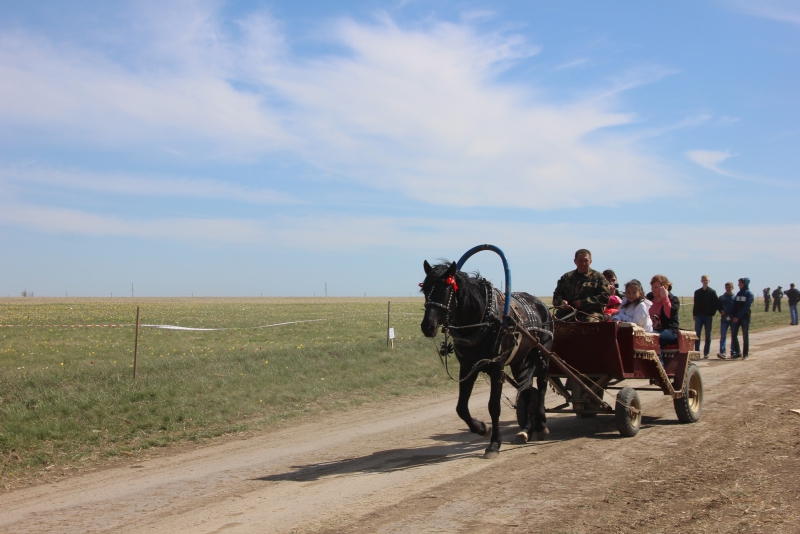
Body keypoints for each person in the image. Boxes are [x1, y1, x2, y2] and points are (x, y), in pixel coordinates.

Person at [553, 249, 610, 322]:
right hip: (568, 313)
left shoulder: (598, 277)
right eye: (580, 260)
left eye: (586, 260)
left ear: (590, 261)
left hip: (590, 314)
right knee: (551, 323)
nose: (583, 263)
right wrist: (562, 303)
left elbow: (605, 297)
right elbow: (556, 296)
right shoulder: (566, 277)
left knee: (590, 323)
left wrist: (584, 302)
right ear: (575, 261)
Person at [646, 275, 680, 363]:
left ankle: (660, 365)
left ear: (665, 287)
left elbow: (669, 315)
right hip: (651, 329)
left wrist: (665, 297)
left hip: (669, 331)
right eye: (652, 287)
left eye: (656, 287)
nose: (653, 290)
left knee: (653, 337)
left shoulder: (674, 300)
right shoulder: (649, 298)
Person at [692, 274, 719, 359]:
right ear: (701, 281)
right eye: (703, 279)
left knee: (708, 335)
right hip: (699, 316)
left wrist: (711, 313)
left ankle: (706, 353)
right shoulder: (697, 292)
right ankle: (696, 352)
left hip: (708, 316)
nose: (705, 281)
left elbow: (716, 304)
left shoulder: (712, 292)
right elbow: (696, 304)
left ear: (709, 281)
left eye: (706, 279)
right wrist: (694, 314)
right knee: (697, 335)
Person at [730, 277, 754, 360]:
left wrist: (738, 317)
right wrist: (731, 314)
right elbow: (734, 305)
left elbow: (746, 307)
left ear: (744, 284)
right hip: (736, 317)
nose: (738, 285)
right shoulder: (738, 293)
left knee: (745, 336)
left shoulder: (749, 294)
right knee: (733, 335)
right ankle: (738, 352)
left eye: (740, 283)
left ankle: (745, 354)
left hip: (745, 317)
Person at [717, 282, 736, 359]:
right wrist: (721, 311)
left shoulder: (735, 297)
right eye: (727, 287)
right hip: (724, 319)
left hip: (733, 319)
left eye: (729, 287)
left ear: (732, 288)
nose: (728, 289)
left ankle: (733, 352)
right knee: (723, 336)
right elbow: (718, 306)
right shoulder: (722, 297)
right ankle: (722, 352)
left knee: (733, 336)